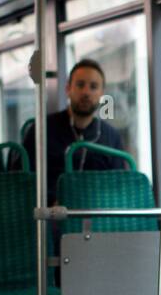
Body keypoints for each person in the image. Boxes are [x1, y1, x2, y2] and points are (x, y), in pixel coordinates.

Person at [20, 58, 125, 201]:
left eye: (93, 87)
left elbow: (120, 186)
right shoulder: (41, 130)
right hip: (48, 215)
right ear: (68, 89)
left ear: (102, 94)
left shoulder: (111, 137)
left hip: (99, 216)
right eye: (80, 85)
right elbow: (21, 180)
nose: (86, 92)